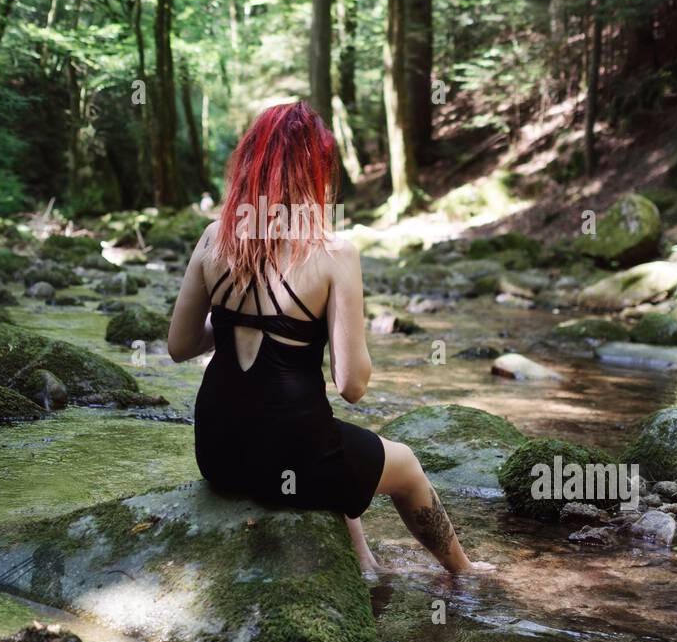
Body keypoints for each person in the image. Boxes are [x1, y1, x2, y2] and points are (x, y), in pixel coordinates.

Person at [167, 101, 491, 575]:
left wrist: (240, 318)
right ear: (313, 169)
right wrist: (317, 324)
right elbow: (353, 386)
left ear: (249, 165)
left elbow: (179, 346)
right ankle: (463, 572)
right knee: (404, 465)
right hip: (291, 459)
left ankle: (364, 563)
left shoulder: (214, 237)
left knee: (331, 440)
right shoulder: (335, 251)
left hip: (217, 453)